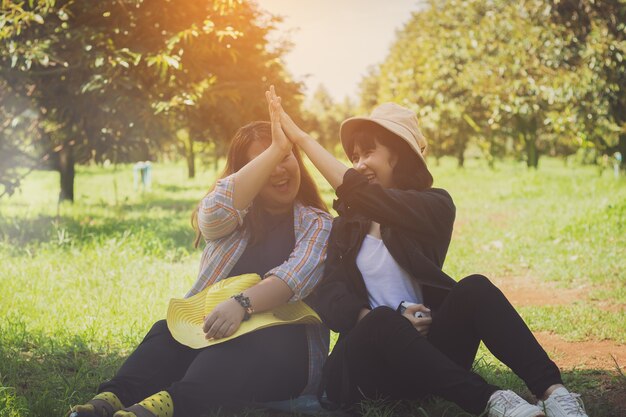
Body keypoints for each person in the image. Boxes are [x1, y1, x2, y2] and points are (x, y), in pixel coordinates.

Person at [265, 86, 589, 417]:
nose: (359, 164)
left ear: (398, 154)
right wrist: (385, 320)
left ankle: (556, 393)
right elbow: (330, 297)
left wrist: (304, 140)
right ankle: (492, 401)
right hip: (368, 368)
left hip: (427, 360)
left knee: (475, 287)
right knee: (381, 320)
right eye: (354, 157)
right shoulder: (345, 226)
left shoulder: (434, 206)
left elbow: (367, 196)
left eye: (368, 153)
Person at [68, 102, 333, 417]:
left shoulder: (317, 223)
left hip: (283, 355)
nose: (278, 168)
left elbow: (293, 278)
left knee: (243, 340)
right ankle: (107, 402)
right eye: (265, 161)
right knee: (166, 331)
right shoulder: (232, 219)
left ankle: (161, 408)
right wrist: (275, 149)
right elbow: (212, 213)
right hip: (214, 337)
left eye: (285, 156)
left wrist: (241, 305)